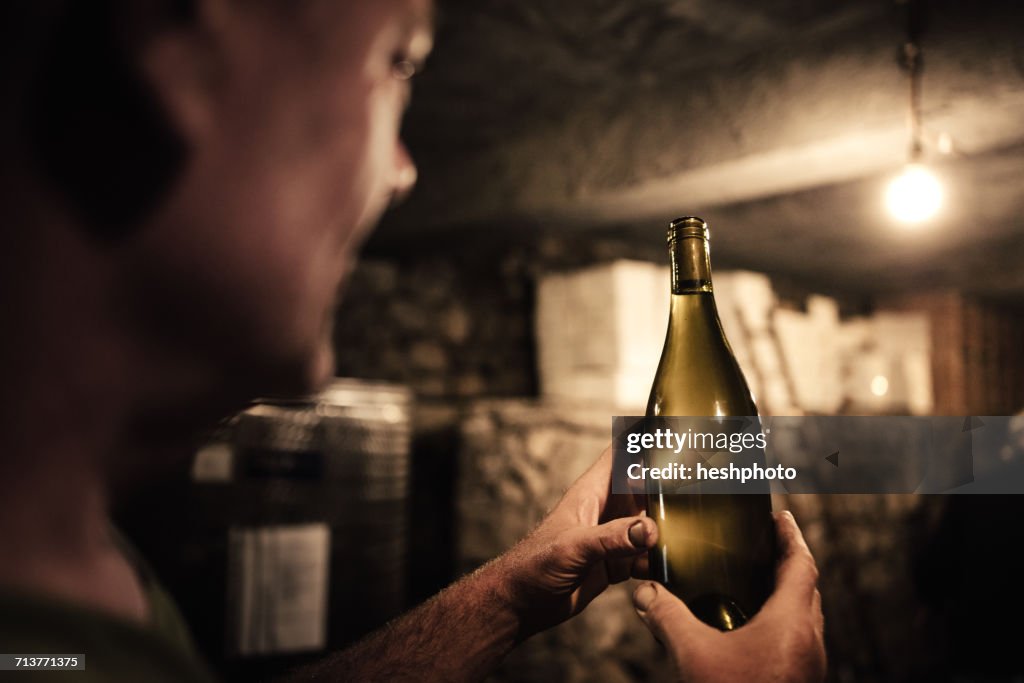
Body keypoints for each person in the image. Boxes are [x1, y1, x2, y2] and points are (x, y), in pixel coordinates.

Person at [0, 1, 825, 681]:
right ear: (170, 37)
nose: (404, 170)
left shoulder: (57, 623)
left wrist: (509, 592)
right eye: (397, 62)